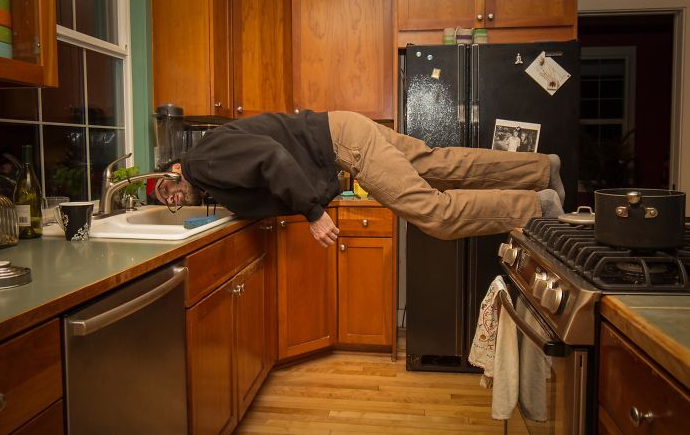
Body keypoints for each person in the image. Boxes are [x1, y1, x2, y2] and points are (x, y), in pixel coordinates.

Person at [150, 111, 565, 248]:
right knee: (440, 163)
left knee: (436, 215)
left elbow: (270, 156)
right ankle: (542, 168)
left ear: (172, 171)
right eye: (166, 201)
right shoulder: (207, 169)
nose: (174, 197)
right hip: (344, 129)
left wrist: (313, 213)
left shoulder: (199, 161)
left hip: (345, 145)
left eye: (168, 189)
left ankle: (538, 205)